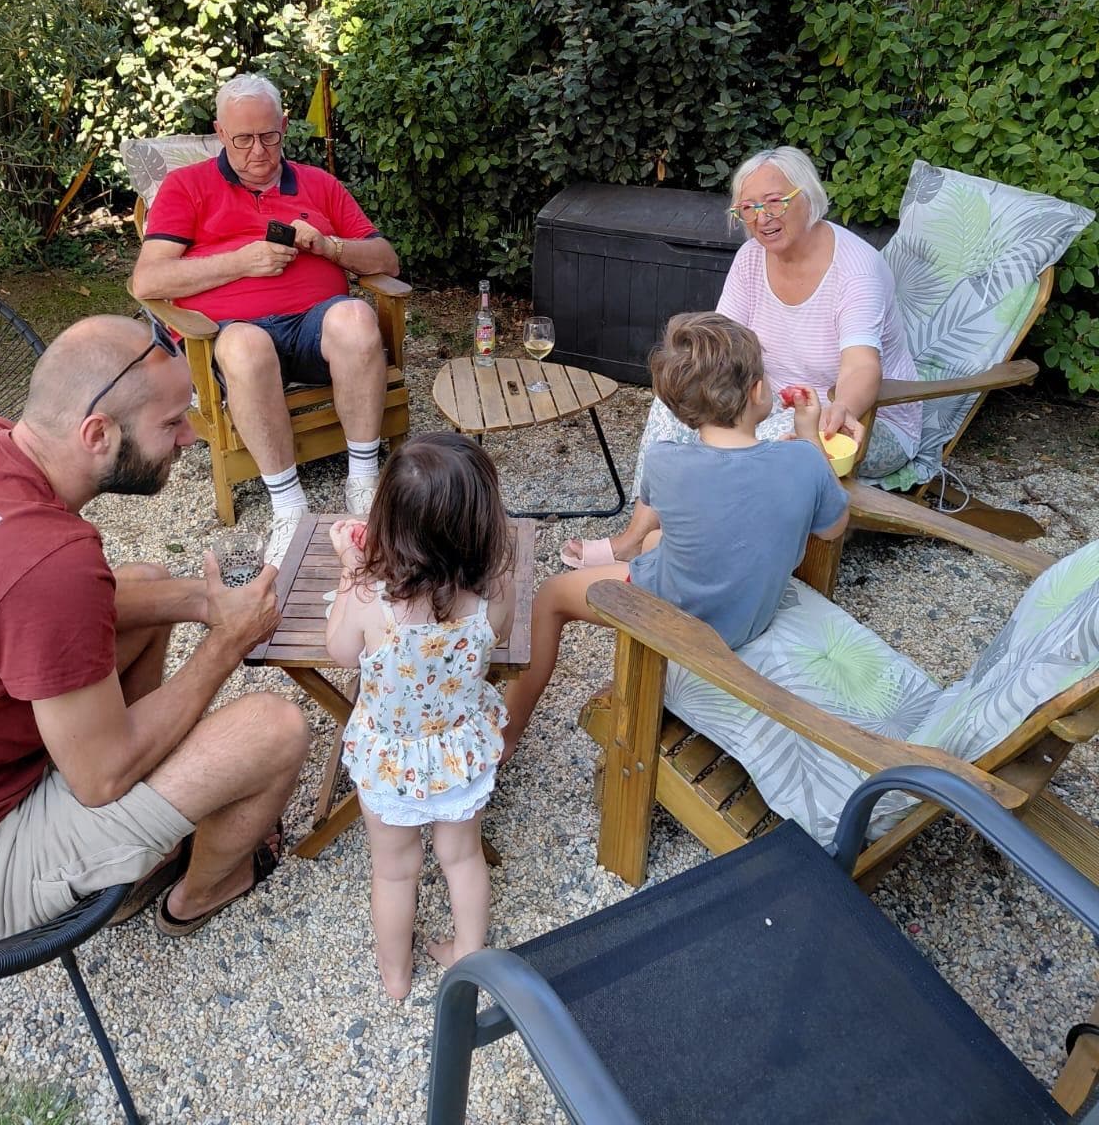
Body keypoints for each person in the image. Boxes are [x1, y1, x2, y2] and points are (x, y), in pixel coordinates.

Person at [0, 314, 310, 956]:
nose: (191, 437)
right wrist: (226, 643)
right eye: (172, 423)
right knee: (275, 730)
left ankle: (147, 849)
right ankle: (198, 895)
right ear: (97, 434)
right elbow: (101, 778)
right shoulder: (52, 564)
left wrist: (201, 601)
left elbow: (41, 603)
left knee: (146, 586)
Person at [503, 313, 851, 758]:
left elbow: (707, 501)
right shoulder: (803, 462)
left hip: (673, 619)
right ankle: (633, 551)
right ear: (758, 390)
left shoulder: (665, 461)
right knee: (659, 544)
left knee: (551, 595)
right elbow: (834, 527)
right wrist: (809, 438)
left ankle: (507, 737)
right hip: (747, 617)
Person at [562, 144, 919, 570]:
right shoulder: (751, 257)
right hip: (763, 399)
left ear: (808, 196)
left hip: (854, 420)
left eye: (774, 202)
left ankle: (690, 548)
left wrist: (844, 405)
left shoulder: (856, 268)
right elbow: (722, 346)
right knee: (674, 406)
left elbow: (862, 365)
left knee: (754, 438)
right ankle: (635, 539)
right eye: (748, 208)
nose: (762, 217)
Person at [130, 73, 402, 567]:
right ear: (220, 132)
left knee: (357, 317)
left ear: (285, 126)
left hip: (316, 330)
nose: (258, 150)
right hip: (236, 337)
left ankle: (363, 482)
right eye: (242, 139)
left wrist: (329, 246)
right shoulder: (185, 186)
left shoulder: (318, 184)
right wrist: (241, 262)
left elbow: (386, 259)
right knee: (246, 346)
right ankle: (289, 506)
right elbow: (147, 281)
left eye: (269, 136)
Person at [324, 433, 513, 1000]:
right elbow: (497, 638)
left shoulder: (371, 602)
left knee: (394, 870)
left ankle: (396, 975)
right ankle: (468, 958)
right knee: (463, 858)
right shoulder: (494, 593)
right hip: (459, 751)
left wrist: (350, 569)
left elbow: (340, 651)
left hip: (390, 758)